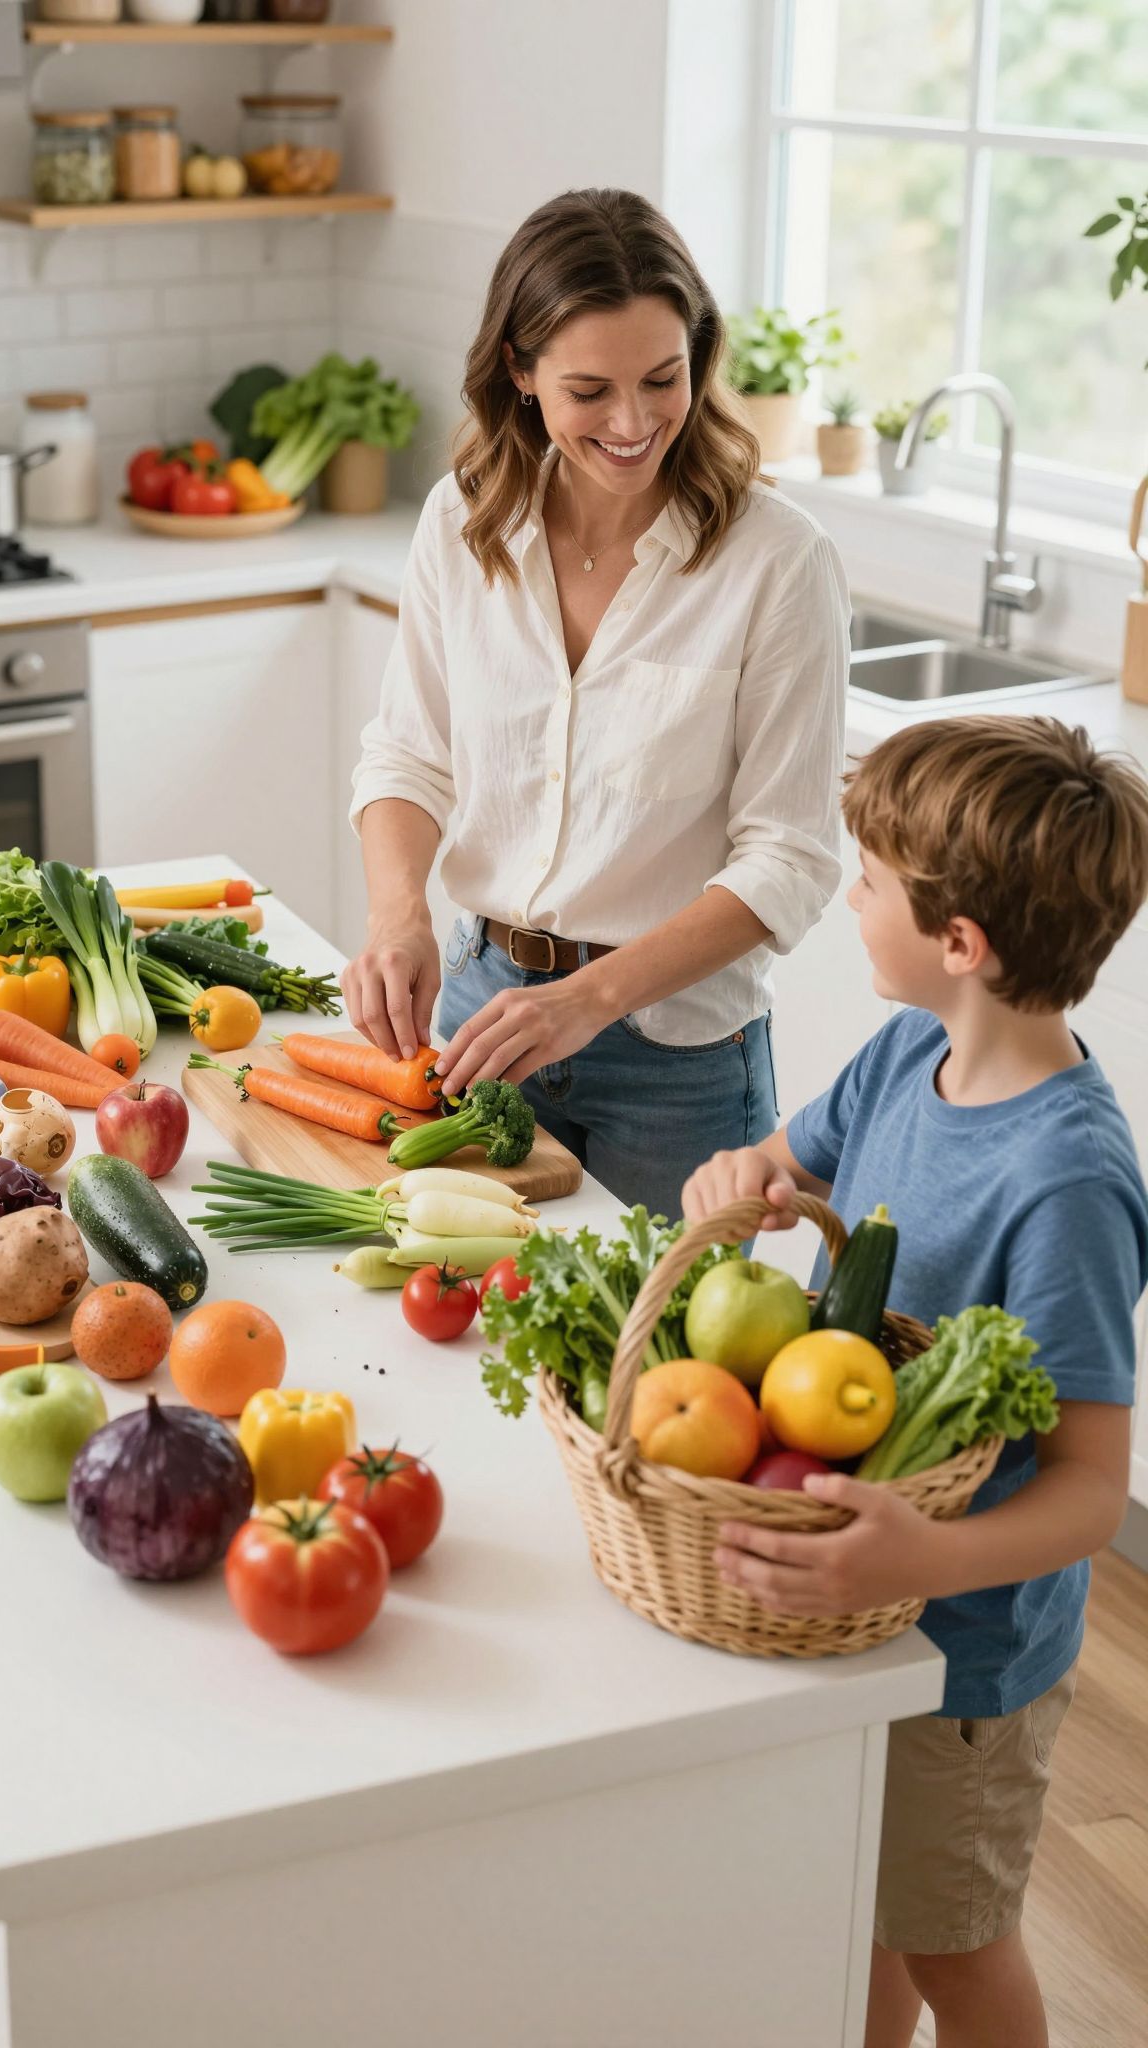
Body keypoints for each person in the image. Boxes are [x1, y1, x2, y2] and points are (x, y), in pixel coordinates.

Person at [680, 715, 1148, 2048]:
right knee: (856, 1903)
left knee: (954, 1940)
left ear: (961, 945)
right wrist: (746, 1178)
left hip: (971, 1654)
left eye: (869, 882)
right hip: (862, 1598)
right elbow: (791, 1160)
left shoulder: (1066, 1181)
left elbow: (1091, 1496)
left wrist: (919, 1568)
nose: (850, 900)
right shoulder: (905, 1055)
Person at [343, 186, 849, 1219]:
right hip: (484, 1020)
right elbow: (407, 755)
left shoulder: (777, 561)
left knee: (664, 1376)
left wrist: (594, 997)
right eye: (590, 390)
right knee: (474, 1357)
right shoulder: (463, 520)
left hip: (680, 1065)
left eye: (663, 380)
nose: (633, 423)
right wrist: (398, 915)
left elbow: (789, 859)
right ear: (520, 373)